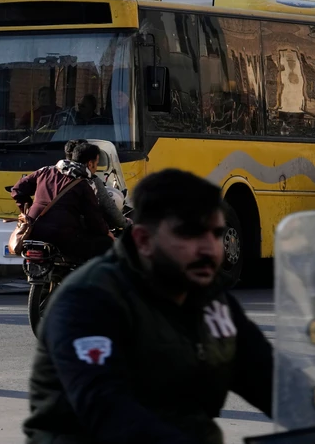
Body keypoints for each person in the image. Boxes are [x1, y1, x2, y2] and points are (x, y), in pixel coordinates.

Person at [23, 169, 272, 443]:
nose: (210, 249)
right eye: (190, 234)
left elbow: (271, 378)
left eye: (215, 234)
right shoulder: (88, 301)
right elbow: (104, 408)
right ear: (144, 240)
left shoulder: (211, 304)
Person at [8, 142, 112, 261]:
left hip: (33, 230)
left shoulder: (45, 171)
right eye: (96, 164)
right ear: (90, 164)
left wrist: (30, 211)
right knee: (105, 243)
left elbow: (17, 190)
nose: (96, 168)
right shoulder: (85, 184)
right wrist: (106, 232)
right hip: (63, 236)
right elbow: (93, 217)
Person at [65, 139, 127, 230]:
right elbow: (104, 209)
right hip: (71, 232)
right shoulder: (90, 181)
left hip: (41, 227)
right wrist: (126, 224)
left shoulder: (51, 173)